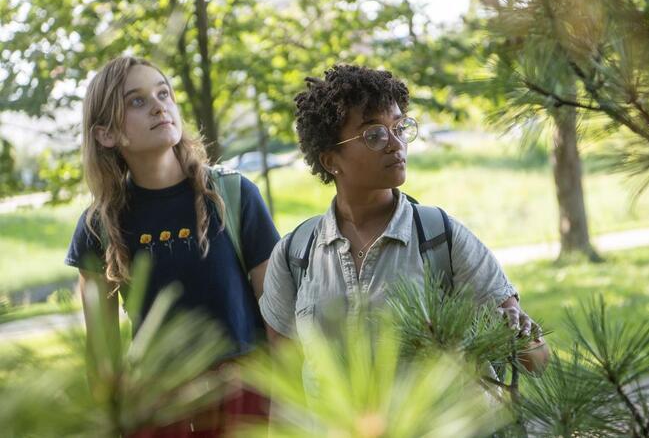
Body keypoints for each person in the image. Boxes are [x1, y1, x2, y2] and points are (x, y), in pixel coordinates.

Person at [260, 64, 548, 371]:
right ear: (331, 160)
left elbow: (537, 361)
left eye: (399, 128)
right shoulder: (295, 255)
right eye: (375, 135)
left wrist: (516, 334)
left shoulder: (441, 238)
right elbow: (285, 388)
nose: (397, 145)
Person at [65, 56, 280, 436]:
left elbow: (277, 313)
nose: (158, 105)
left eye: (163, 93)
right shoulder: (99, 226)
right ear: (105, 134)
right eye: (136, 101)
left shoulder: (232, 194)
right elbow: (102, 353)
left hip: (245, 394)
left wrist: (289, 397)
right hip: (157, 405)